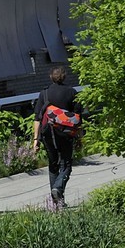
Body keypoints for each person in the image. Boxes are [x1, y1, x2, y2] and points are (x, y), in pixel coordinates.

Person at [34, 66, 84, 206]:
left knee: (53, 164)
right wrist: (79, 138)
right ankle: (58, 188)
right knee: (66, 164)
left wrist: (36, 140)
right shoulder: (72, 92)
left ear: (51, 77)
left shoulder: (44, 93)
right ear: (64, 76)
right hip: (65, 133)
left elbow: (37, 118)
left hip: (48, 133)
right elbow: (78, 118)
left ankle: (56, 203)